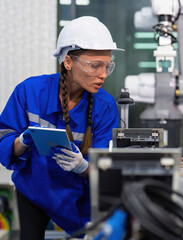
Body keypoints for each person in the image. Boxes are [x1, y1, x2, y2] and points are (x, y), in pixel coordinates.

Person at [0, 16, 123, 238]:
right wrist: (22, 141)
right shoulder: (30, 91)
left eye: (108, 66)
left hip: (76, 200)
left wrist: (82, 166)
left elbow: (104, 168)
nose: (103, 74)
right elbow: (4, 139)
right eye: (95, 66)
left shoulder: (105, 107)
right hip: (33, 192)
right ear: (68, 61)